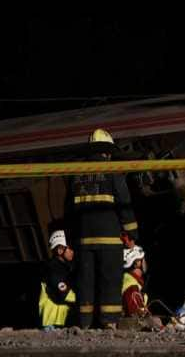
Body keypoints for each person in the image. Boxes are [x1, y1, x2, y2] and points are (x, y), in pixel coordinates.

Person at [67, 128, 139, 329]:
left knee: (85, 283)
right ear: (107, 152)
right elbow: (124, 203)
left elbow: (68, 211)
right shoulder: (112, 172)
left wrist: (72, 240)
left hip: (83, 242)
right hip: (109, 241)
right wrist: (132, 233)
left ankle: (84, 324)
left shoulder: (76, 174)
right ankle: (109, 323)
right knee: (110, 281)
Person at [39, 230, 76, 330]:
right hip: (51, 322)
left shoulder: (64, 266)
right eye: (70, 248)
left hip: (59, 320)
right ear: (60, 250)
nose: (73, 251)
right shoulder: (54, 268)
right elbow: (64, 293)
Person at [122, 245, 148, 317]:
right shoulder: (132, 287)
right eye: (142, 259)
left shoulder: (133, 281)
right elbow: (135, 315)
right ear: (136, 263)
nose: (145, 262)